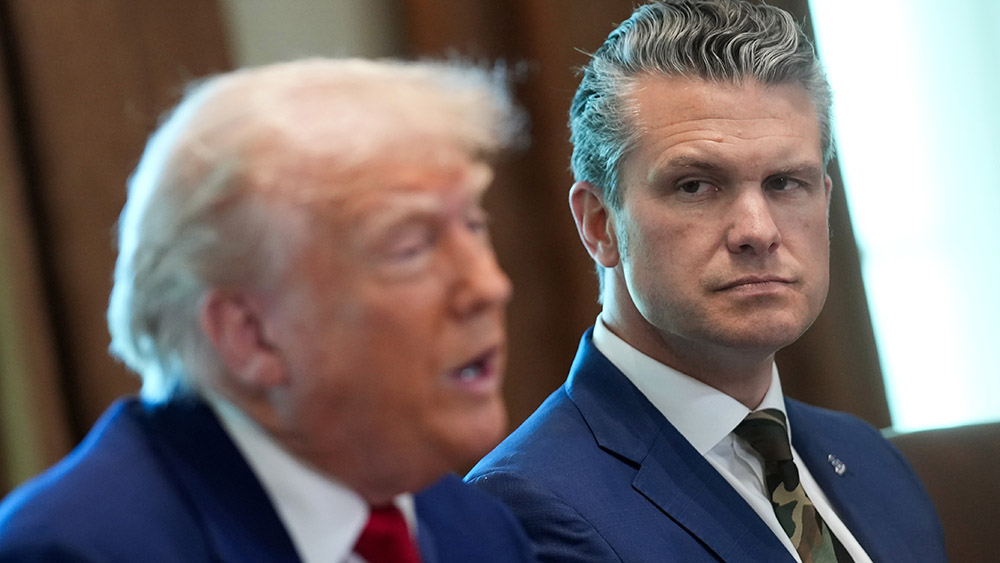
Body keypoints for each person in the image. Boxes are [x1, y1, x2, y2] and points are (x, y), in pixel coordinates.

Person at [0, 57, 538, 563]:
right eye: (411, 248)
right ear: (251, 334)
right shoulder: (76, 549)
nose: (490, 286)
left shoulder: (479, 529)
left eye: (474, 225)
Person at [466, 1, 946, 562]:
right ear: (600, 224)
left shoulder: (871, 458)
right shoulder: (527, 511)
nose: (758, 231)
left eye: (786, 183)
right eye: (695, 185)